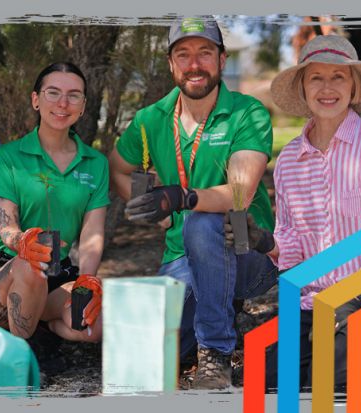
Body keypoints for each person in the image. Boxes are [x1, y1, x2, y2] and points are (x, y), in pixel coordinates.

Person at [225, 34, 361, 389]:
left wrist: (358, 293)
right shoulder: (288, 162)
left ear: (353, 87)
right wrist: (265, 241)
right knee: (259, 376)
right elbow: (295, 245)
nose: (327, 88)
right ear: (302, 87)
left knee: (332, 378)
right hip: (320, 300)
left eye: (338, 77)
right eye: (316, 77)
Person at [109, 17, 278, 389]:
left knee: (203, 223)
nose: (194, 63)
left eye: (205, 52)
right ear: (171, 64)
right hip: (180, 259)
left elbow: (240, 192)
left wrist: (180, 198)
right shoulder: (149, 121)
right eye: (183, 54)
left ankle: (215, 357)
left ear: (221, 59)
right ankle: (218, 315)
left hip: (246, 253)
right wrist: (147, 205)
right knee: (140, 356)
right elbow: (117, 168)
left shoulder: (247, 113)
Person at [0, 62, 107, 349]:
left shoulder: (96, 163)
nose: (63, 103)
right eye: (53, 93)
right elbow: (7, 226)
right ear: (36, 100)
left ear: (83, 106)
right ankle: (21, 352)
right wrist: (24, 242)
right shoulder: (8, 156)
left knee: (93, 326)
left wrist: (87, 279)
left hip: (58, 273)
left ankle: (40, 326)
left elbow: (92, 233)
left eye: (74, 95)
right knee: (31, 265)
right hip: (8, 273)